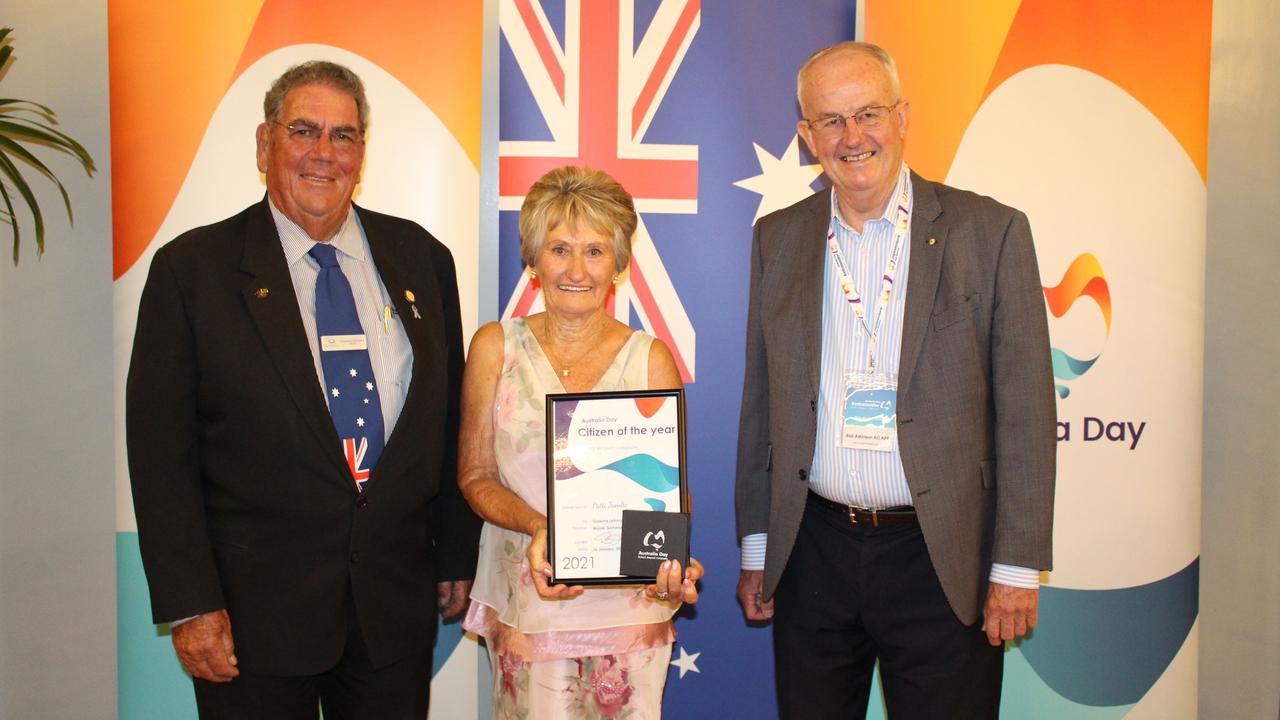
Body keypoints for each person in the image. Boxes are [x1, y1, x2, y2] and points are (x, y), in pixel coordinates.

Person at [125, 60, 481, 719]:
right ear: (265, 143)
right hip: (250, 621)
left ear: (362, 153)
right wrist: (191, 604)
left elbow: (450, 417)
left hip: (390, 616)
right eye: (304, 130)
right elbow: (159, 457)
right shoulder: (190, 272)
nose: (324, 153)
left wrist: (457, 552)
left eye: (344, 136)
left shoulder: (422, 259)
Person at [734, 41, 1057, 719]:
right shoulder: (778, 239)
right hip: (813, 552)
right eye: (831, 121)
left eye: (870, 113)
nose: (853, 138)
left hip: (941, 556)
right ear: (806, 137)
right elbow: (762, 405)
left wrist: (1017, 567)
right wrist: (760, 544)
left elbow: (1026, 414)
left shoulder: (989, 234)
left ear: (904, 117)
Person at [458, 165, 704, 719]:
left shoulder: (650, 357)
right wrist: (541, 528)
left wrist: (671, 559)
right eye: (559, 249)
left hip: (630, 609)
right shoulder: (495, 348)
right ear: (533, 259)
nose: (576, 269)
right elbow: (474, 476)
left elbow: (671, 488)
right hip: (534, 600)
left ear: (617, 263)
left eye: (594, 251)